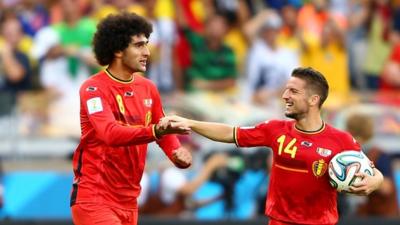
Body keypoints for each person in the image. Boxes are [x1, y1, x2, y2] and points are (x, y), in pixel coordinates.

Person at [162, 67, 384, 225]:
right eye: (286, 90)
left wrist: (375, 181)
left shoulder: (340, 140)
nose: (285, 96)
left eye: (293, 91)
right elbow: (231, 133)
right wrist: (190, 122)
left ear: (314, 100)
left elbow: (374, 173)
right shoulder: (276, 129)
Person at [70, 12, 192, 225]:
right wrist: (156, 131)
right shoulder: (93, 88)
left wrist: (176, 153)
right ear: (117, 49)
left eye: (146, 44)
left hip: (129, 200)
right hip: (95, 197)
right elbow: (110, 134)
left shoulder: (148, 88)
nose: (146, 52)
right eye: (138, 46)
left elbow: (161, 128)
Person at [346, 113, 398, 217]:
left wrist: (371, 181)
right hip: (360, 215)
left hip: (379, 216)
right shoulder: (349, 154)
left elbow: (387, 188)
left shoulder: (378, 154)